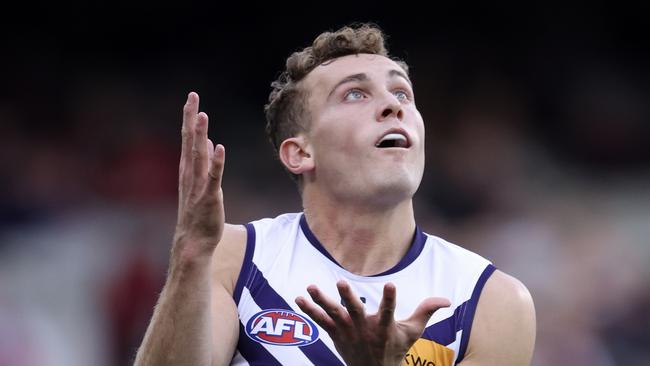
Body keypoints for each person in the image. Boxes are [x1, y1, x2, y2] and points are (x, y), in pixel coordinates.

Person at [134, 23, 536, 366]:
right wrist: (189, 252)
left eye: (402, 94)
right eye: (355, 94)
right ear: (300, 152)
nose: (392, 107)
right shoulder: (237, 259)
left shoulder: (491, 301)